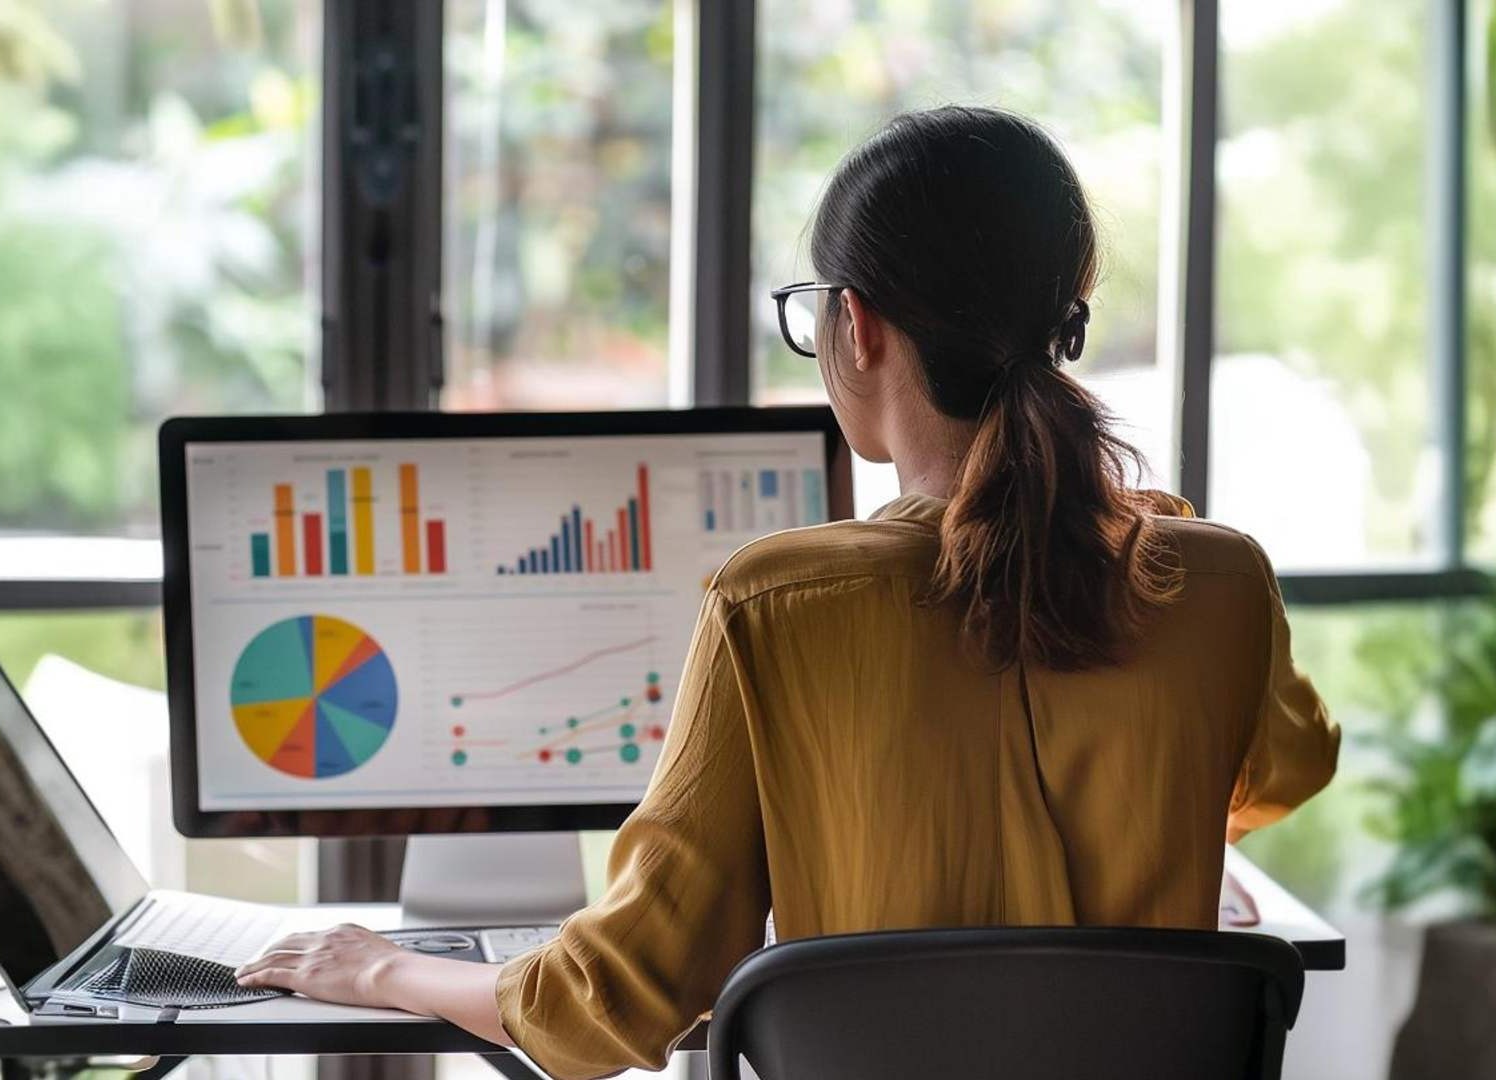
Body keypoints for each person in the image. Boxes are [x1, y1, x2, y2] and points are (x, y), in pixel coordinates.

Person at [234, 105, 1340, 1079]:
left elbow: (619, 999)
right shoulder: (1218, 578)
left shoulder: (775, 605)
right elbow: (1286, 770)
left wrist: (385, 969)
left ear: (857, 325)